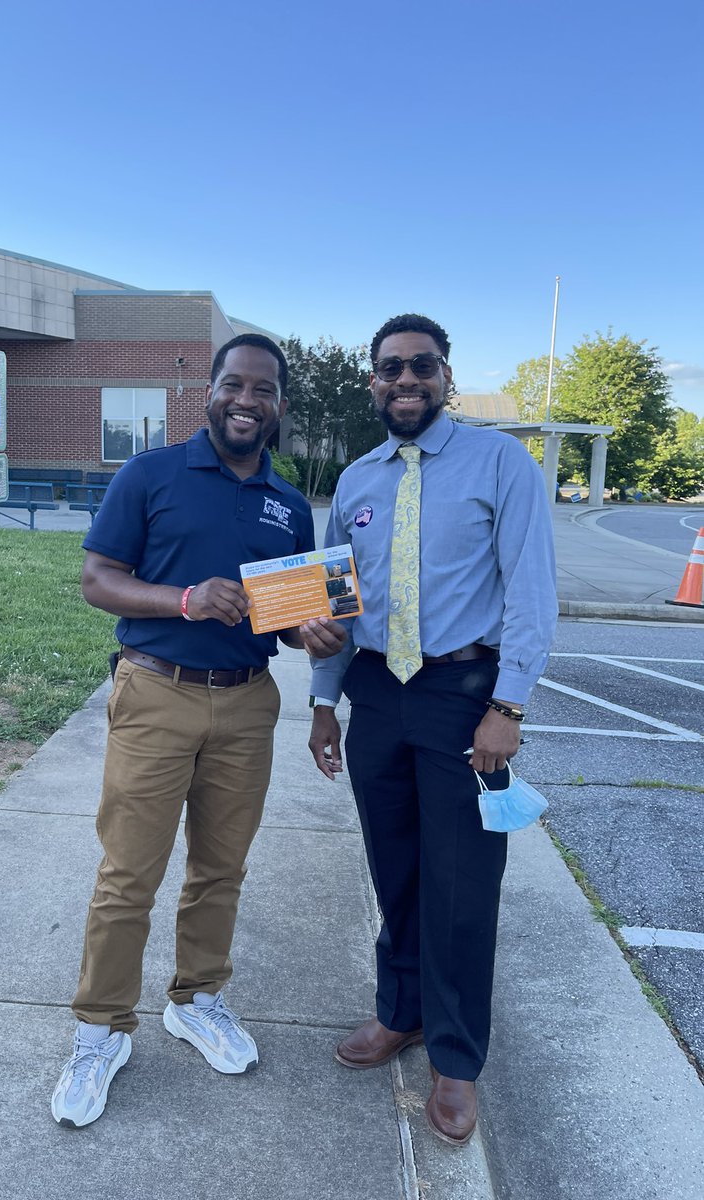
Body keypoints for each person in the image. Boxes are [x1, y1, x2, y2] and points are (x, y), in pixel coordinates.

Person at [51, 333, 346, 1128]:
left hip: (249, 701)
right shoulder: (151, 474)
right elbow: (97, 580)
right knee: (129, 873)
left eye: (264, 391)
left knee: (221, 868)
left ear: (280, 406)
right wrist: (183, 599)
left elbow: (284, 620)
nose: (247, 401)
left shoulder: (289, 504)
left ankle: (197, 999)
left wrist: (310, 631)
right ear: (209, 393)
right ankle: (101, 1028)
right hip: (157, 692)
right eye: (234, 385)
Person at [308, 314, 557, 1146]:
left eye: (422, 367)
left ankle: (456, 1059)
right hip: (378, 695)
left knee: (461, 886)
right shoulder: (356, 482)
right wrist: (321, 704)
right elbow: (334, 611)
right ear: (372, 382)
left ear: (446, 375)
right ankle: (401, 1013)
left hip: (464, 694)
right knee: (398, 870)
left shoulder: (501, 463)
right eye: (390, 369)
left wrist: (508, 706)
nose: (405, 381)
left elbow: (531, 590)